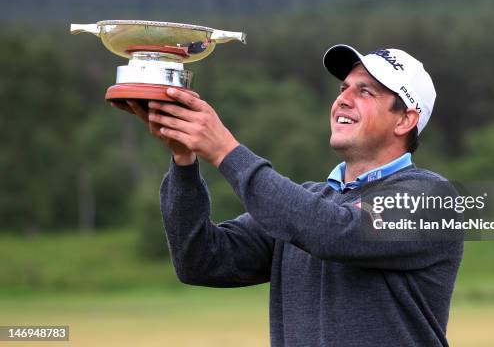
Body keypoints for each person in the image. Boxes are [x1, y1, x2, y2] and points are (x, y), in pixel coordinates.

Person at [114, 44, 463, 346]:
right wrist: (183, 159)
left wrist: (225, 150)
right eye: (344, 88)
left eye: (365, 92)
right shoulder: (307, 204)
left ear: (405, 120)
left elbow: (332, 232)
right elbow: (200, 261)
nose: (343, 99)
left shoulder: (432, 199)